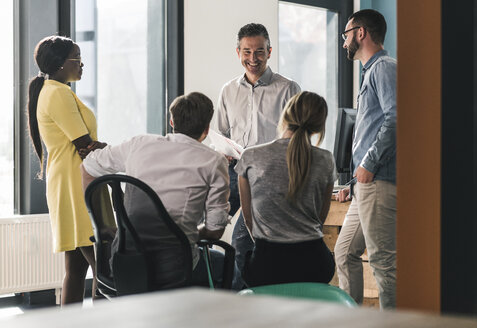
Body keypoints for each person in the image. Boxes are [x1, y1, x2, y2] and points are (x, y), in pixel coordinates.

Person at [81, 92, 232, 288]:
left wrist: (101, 225)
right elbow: (214, 232)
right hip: (174, 268)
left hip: (124, 263)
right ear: (207, 129)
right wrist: (187, 232)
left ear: (171, 121)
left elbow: (87, 168)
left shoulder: (138, 145)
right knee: (226, 264)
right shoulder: (213, 160)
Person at [215, 23, 301, 281]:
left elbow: (297, 138)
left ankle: (245, 301)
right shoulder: (228, 90)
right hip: (235, 170)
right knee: (200, 225)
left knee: (244, 238)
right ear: (238, 52)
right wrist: (224, 150)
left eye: (260, 52)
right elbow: (220, 135)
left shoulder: (288, 89)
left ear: (270, 52)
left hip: (269, 174)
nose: (253, 59)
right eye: (247, 52)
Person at [27, 36, 106, 305]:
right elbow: (84, 145)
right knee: (104, 268)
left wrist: (99, 146)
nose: (82, 64)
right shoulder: (57, 93)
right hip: (77, 183)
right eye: (77, 58)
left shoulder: (54, 90)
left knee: (76, 269)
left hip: (68, 180)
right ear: (60, 64)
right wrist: (110, 149)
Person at [235, 91, 336, 287]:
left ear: (286, 115)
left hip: (267, 265)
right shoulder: (326, 160)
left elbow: (249, 220)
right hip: (314, 264)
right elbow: (319, 219)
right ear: (318, 126)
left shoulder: (251, 157)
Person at [333, 9, 397, 309]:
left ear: (360, 33)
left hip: (380, 181)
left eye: (346, 34)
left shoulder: (383, 67)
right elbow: (372, 129)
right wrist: (354, 181)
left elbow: (397, 119)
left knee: (384, 265)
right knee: (344, 254)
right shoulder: (370, 71)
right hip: (365, 185)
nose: (344, 41)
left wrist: (369, 164)